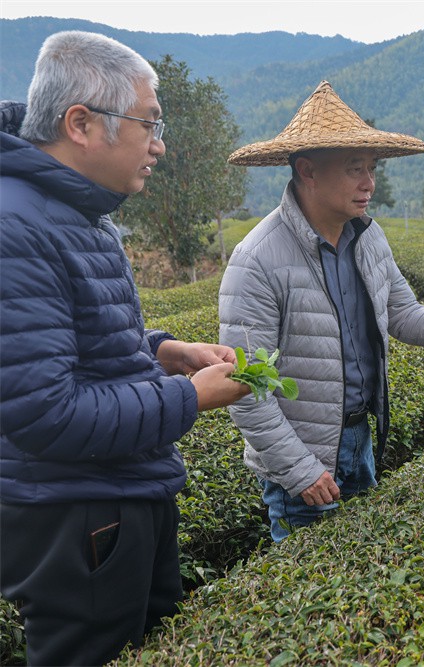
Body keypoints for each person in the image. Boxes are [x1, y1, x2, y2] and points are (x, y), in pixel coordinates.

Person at [0, 31, 249, 666]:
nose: (159, 144)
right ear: (81, 124)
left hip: (117, 492)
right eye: (149, 124)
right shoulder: (16, 224)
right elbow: (43, 412)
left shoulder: (76, 212)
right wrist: (188, 398)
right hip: (76, 511)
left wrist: (166, 351)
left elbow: (75, 339)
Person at [219, 82, 424, 542]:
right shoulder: (257, 260)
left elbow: (402, 314)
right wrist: (300, 471)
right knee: (311, 582)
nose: (369, 183)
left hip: (359, 441)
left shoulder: (367, 237)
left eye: (372, 168)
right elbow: (245, 388)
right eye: (354, 169)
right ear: (307, 171)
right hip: (304, 459)